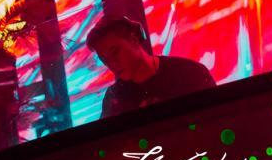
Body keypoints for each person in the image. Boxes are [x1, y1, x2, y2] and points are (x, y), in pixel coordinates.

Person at [87, 15, 216, 118]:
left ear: (133, 40)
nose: (111, 63)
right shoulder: (114, 99)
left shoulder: (190, 73)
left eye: (115, 52)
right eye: (104, 59)